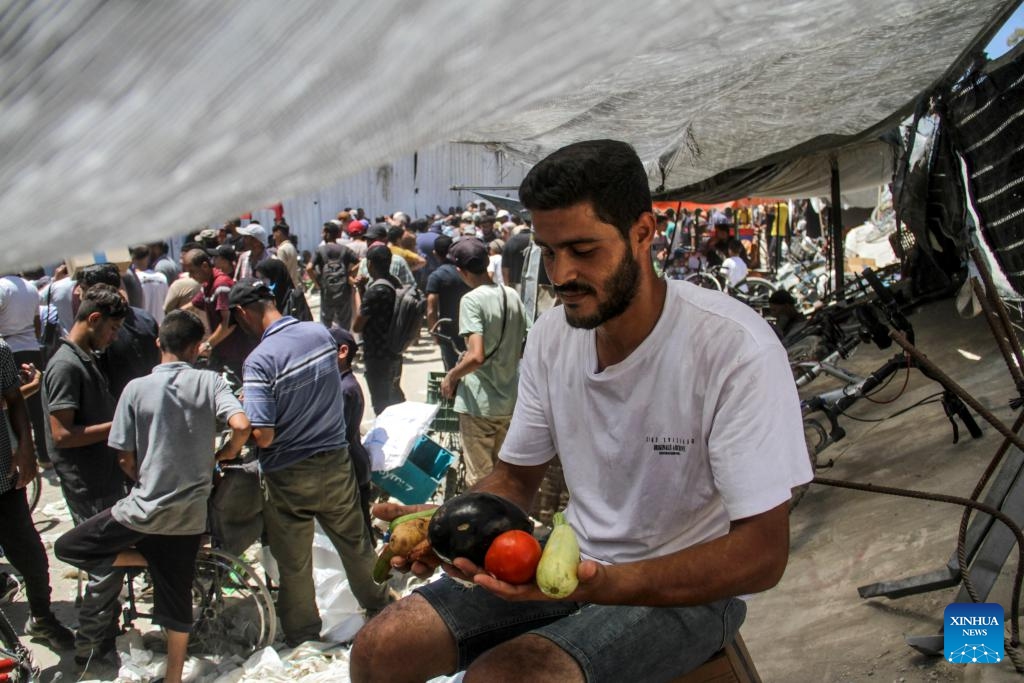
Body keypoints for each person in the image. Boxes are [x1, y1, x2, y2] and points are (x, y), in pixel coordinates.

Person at [351, 139, 811, 682]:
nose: (560, 274)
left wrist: (604, 584)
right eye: (548, 251)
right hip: (571, 558)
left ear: (644, 233)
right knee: (380, 649)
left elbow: (763, 554)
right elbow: (516, 479)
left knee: (503, 679)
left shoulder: (732, 348)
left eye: (583, 250)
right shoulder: (552, 336)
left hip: (691, 592)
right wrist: (449, 526)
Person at [54, 310, 251, 683]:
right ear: (196, 348)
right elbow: (241, 425)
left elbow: (124, 455)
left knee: (70, 547)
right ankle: (174, 676)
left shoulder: (135, 388)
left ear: (159, 343)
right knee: (177, 603)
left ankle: (143, 558)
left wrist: (141, 474)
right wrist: (223, 454)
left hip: (142, 510)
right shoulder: (209, 382)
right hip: (190, 517)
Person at [229, 279, 389, 646]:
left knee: (295, 564)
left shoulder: (259, 360)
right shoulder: (320, 335)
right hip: (335, 462)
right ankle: (382, 609)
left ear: (242, 313)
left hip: (288, 474)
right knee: (356, 545)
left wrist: (244, 412)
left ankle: (303, 635)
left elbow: (264, 436)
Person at [44, 284, 130, 668]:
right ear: (93, 319)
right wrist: (119, 426)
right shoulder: (65, 365)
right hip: (86, 480)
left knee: (112, 561)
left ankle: (104, 635)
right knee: (105, 565)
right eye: (111, 329)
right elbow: (62, 434)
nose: (113, 338)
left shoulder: (85, 357)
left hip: (102, 473)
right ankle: (90, 647)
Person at [0, 342, 75, 650]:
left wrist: (27, 449)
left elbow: (13, 399)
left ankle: (41, 617)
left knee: (30, 553)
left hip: (3, 477)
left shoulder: (0, 349)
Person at [439, 238, 527, 486]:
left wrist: (452, 376)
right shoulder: (511, 295)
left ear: (461, 271)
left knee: (480, 478)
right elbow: (524, 345)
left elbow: (476, 355)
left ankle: (486, 524)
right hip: (510, 400)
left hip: (479, 405)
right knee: (502, 474)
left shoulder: (471, 300)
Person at [77, 264, 160, 401]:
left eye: (84, 289)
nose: (79, 294)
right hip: (150, 399)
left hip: (118, 408)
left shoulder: (98, 328)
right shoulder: (146, 318)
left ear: (99, 291)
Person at [0, 272, 51, 469]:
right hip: (31, 347)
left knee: (11, 405)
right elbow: (37, 324)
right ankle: (45, 455)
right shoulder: (30, 287)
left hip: (9, 350)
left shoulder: (2, 286)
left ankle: (14, 452)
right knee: (37, 406)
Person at [330, 326, 374, 533]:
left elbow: (337, 435)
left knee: (358, 531)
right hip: (353, 464)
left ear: (342, 352)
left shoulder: (343, 389)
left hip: (350, 468)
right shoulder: (341, 385)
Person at [353, 245, 406, 415]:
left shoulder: (376, 290)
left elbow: (357, 325)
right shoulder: (394, 282)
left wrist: (357, 291)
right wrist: (362, 289)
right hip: (394, 350)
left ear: (369, 264)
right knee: (394, 395)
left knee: (381, 403)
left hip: (377, 355)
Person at [425, 236, 470, 371]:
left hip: (448, 332)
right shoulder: (465, 271)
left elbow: (431, 309)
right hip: (469, 327)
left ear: (435, 253)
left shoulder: (436, 276)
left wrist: (434, 332)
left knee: (451, 371)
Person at [308, 223, 360, 329]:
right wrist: (349, 274)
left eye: (323, 232)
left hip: (327, 292)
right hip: (344, 291)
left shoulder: (320, 250)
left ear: (327, 233)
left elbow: (309, 268)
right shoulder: (345, 250)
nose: (322, 234)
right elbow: (361, 262)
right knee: (344, 323)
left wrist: (317, 284)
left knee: (325, 323)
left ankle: (328, 343)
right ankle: (344, 343)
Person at [255, 258, 312, 322]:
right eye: (258, 278)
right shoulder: (263, 299)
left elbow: (306, 322)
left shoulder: (295, 297)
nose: (261, 282)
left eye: (263, 278)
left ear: (276, 276)